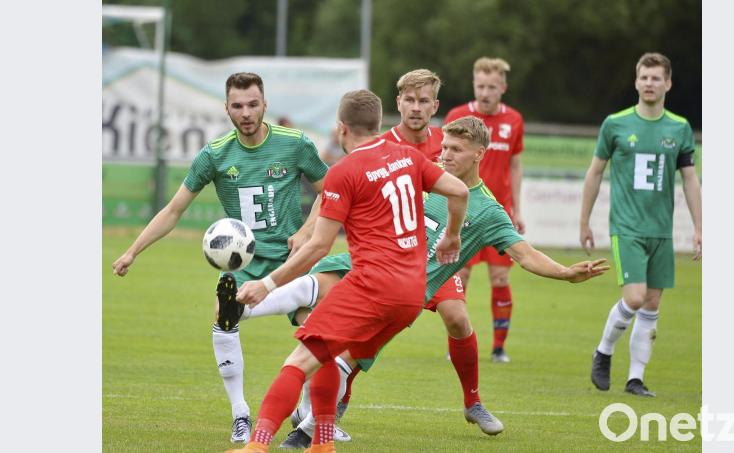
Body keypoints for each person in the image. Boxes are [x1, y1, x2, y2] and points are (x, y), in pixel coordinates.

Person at [238, 116, 609, 447]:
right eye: (444, 146)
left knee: (453, 320)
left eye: (456, 149)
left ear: (480, 153)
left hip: (420, 281)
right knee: (328, 336)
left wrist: (565, 272)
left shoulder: (490, 211)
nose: (445, 154)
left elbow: (525, 255)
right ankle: (311, 433)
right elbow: (345, 187)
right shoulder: (418, 168)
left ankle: (471, 403)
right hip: (384, 270)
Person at [225, 89, 469, 453]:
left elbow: (319, 247)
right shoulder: (407, 156)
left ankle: (256, 447)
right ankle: (322, 444)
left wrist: (267, 283)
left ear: (341, 129)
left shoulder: (344, 172)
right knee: (330, 353)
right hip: (411, 295)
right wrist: (451, 237)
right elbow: (460, 190)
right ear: (378, 123)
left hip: (372, 286)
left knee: (298, 362)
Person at [111, 72, 329, 443]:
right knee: (223, 315)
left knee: (319, 329)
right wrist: (133, 250)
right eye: (237, 106)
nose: (246, 113)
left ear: (265, 105)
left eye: (253, 104)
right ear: (226, 108)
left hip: (293, 258)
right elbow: (174, 209)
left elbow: (331, 193)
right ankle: (240, 413)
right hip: (244, 265)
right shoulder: (214, 155)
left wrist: (307, 231)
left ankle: (308, 416)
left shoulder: (295, 144)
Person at [581, 52, 702, 397]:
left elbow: (690, 180)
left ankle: (635, 378)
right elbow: (594, 173)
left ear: (668, 83)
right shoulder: (615, 124)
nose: (649, 83)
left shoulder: (678, 129)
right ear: (636, 82)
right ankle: (603, 351)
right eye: (644, 77)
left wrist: (699, 227)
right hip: (627, 227)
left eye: (656, 78)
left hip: (661, 229)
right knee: (634, 297)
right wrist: (584, 220)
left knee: (651, 304)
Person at [444, 57, 525, 363]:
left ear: (502, 88)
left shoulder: (514, 120)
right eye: (480, 86)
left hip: (496, 211)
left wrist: (516, 207)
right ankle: (457, 343)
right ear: (473, 85)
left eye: (492, 87)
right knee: (458, 276)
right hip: (462, 209)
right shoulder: (458, 116)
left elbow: (516, 165)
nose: (485, 92)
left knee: (500, 278)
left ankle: (498, 347)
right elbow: (445, 162)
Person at [380, 68, 444, 162]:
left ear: (435, 106)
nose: (416, 108)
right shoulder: (380, 148)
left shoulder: (446, 142)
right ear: (399, 103)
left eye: (423, 101)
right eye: (409, 100)